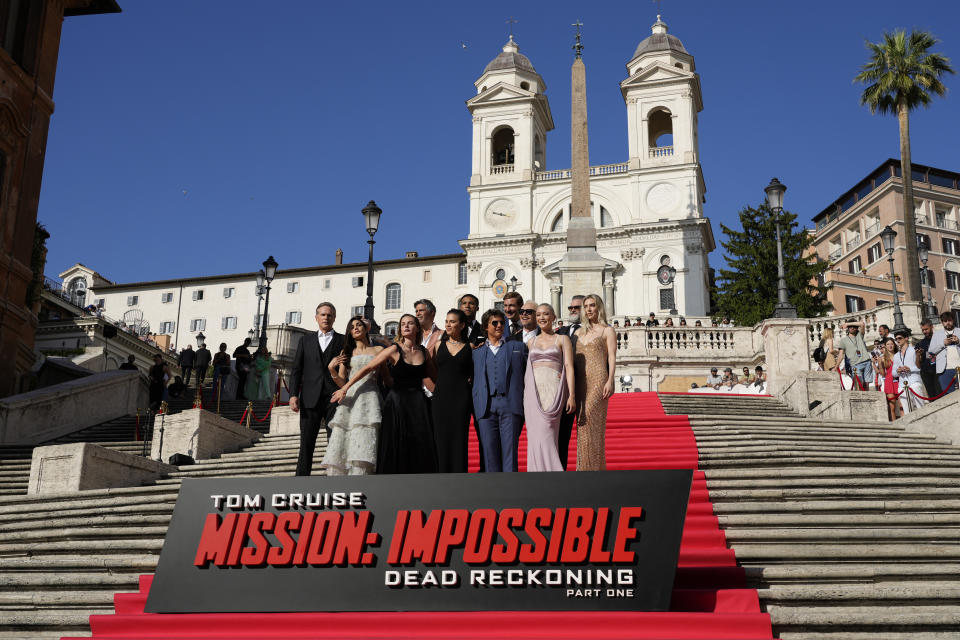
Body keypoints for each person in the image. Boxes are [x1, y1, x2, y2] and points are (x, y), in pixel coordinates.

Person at [334, 313, 437, 474]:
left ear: (417, 328)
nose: (406, 326)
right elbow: (367, 368)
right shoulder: (393, 349)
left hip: (418, 403)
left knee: (420, 445)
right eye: (403, 324)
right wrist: (344, 387)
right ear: (400, 329)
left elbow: (434, 378)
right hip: (397, 402)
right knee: (396, 445)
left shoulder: (424, 352)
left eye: (410, 323)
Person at [288, 302, 345, 476]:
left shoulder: (343, 340)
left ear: (334, 318)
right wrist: (292, 395)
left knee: (335, 440)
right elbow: (296, 369)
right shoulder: (306, 340)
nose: (326, 317)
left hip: (334, 398)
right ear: (316, 317)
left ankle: (334, 477)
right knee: (306, 442)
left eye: (329, 315)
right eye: (323, 314)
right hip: (309, 397)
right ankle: (301, 480)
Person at [322, 316, 383, 476]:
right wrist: (332, 370)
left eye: (359, 325)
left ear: (366, 328)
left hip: (370, 398)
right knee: (345, 437)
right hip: (351, 399)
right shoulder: (346, 352)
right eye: (352, 326)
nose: (355, 328)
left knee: (365, 435)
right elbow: (342, 383)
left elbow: (388, 378)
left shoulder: (378, 350)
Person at [472, 308, 527, 472]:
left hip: (510, 404)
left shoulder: (518, 346)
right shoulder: (477, 352)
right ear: (485, 327)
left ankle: (511, 491)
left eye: (502, 322)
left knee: (510, 452)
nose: (499, 325)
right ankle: (493, 492)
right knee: (489, 453)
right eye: (494, 323)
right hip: (486, 407)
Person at [525, 303, 576, 472]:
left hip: (554, 390)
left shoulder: (562, 339)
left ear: (554, 317)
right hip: (533, 393)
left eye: (546, 314)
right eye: (538, 314)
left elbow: (569, 366)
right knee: (534, 437)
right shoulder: (530, 342)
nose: (542, 318)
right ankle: (536, 478)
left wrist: (571, 395)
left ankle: (554, 476)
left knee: (548, 434)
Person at [574, 294, 617, 471]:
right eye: (586, 306)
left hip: (599, 378)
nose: (589, 309)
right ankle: (589, 470)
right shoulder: (578, 332)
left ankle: (588, 472)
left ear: (599, 307)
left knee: (589, 419)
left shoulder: (607, 330)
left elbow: (613, 357)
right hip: (580, 382)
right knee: (581, 426)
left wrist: (610, 380)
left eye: (592, 305)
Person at [430, 309, 473, 473]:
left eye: (452, 321)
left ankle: (459, 476)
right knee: (441, 437)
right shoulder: (438, 345)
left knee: (459, 438)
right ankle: (441, 476)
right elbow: (429, 370)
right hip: (441, 398)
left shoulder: (470, 347)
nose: (448, 324)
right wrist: (436, 388)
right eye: (447, 321)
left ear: (462, 325)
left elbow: (474, 373)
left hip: (462, 398)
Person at [555, 295, 584, 470]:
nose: (572, 310)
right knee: (562, 435)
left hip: (587, 386)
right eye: (570, 307)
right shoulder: (560, 332)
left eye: (576, 307)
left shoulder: (594, 331)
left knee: (586, 435)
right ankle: (561, 470)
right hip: (564, 389)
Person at [893, 329, 926, 414]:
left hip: (914, 382)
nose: (898, 340)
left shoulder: (914, 350)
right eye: (896, 339)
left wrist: (910, 369)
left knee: (921, 408)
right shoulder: (896, 355)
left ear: (906, 338)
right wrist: (898, 370)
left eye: (900, 338)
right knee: (907, 412)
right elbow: (893, 373)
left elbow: (919, 368)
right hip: (902, 385)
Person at [928, 311, 960, 396]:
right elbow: (930, 352)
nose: (948, 323)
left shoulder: (959, 331)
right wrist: (943, 344)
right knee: (948, 395)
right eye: (945, 321)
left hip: (959, 367)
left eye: (949, 320)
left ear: (953, 320)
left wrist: (958, 341)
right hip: (944, 370)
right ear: (942, 323)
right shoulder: (937, 335)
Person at [836, 319, 871, 389]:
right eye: (850, 326)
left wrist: (848, 324)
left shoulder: (859, 335)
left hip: (867, 362)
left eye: (854, 326)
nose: (852, 328)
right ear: (848, 328)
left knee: (866, 385)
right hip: (855, 365)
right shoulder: (843, 341)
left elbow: (862, 324)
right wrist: (836, 366)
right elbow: (840, 355)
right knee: (858, 384)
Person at [873, 336, 899, 421]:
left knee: (902, 405)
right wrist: (880, 364)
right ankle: (895, 424)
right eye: (888, 344)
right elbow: (883, 374)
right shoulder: (883, 358)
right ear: (885, 346)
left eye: (892, 344)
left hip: (899, 381)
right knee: (892, 407)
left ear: (894, 345)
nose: (890, 346)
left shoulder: (898, 355)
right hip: (889, 381)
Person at [915, 319, 942, 399]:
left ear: (932, 327)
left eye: (926, 329)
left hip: (939, 371)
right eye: (923, 330)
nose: (924, 332)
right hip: (926, 374)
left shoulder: (939, 339)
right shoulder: (920, 344)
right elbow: (918, 365)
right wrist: (918, 355)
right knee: (932, 397)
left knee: (941, 395)